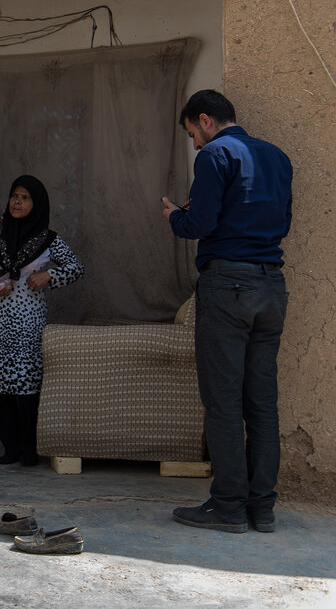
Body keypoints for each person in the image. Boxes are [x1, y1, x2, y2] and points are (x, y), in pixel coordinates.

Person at [162, 89, 292, 534]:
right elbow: (283, 222)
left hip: (227, 286)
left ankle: (228, 507)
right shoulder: (277, 157)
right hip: (271, 286)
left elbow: (201, 224)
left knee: (222, 403)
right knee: (262, 404)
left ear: (205, 120)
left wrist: (176, 217)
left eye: (192, 134)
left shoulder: (215, 155)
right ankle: (263, 509)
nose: (195, 144)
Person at [0, 175, 84, 467]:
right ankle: (11, 448)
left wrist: (49, 276)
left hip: (27, 319)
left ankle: (30, 449)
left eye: (26, 197)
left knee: (27, 385)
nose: (18, 202)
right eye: (14, 196)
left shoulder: (47, 239)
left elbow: (76, 267)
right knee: (0, 384)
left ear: (37, 203)